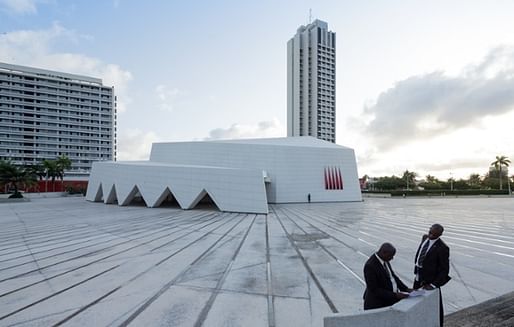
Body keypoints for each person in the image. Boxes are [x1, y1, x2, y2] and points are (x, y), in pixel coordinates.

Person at [413, 224, 451, 326]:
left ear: (440, 235)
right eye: (430, 232)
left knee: (436, 305)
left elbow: (444, 270)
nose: (431, 235)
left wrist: (434, 285)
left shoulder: (443, 248)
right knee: (414, 301)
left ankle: (438, 323)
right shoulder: (425, 237)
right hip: (418, 277)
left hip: (430, 281)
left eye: (434, 234)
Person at [363, 243, 410, 310]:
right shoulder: (370, 266)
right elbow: (374, 289)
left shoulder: (384, 260)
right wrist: (395, 295)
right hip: (378, 304)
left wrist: (406, 289)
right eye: (391, 256)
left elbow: (392, 276)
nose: (392, 258)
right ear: (384, 253)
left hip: (390, 299)